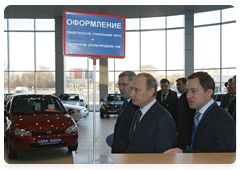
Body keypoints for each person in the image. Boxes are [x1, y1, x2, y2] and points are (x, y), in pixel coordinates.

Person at [163, 72, 236, 153]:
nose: (188, 96)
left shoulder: (223, 119)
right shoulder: (198, 113)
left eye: (194, 91)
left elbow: (223, 153)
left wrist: (185, 153)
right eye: (187, 91)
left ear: (209, 92)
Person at [128, 73, 177, 153]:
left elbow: (165, 157)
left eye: (136, 90)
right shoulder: (138, 112)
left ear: (151, 92)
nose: (131, 94)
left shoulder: (163, 119)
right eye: (131, 89)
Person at [111, 71, 138, 153]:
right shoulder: (126, 102)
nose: (120, 88)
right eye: (119, 85)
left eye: (124, 85)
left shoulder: (138, 105)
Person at [177, 77, 195, 149]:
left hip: (188, 131)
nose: (177, 86)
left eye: (179, 84)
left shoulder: (188, 98)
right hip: (183, 130)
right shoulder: (182, 96)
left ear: (185, 85)